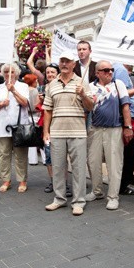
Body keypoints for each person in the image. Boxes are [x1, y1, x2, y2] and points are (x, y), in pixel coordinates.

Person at [43, 50, 94, 216]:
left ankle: (79, 201)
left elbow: (90, 107)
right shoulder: (51, 85)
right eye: (62, 61)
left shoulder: (81, 83)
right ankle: (59, 199)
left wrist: (83, 94)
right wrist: (46, 132)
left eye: (68, 61)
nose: (64, 64)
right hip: (57, 132)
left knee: (78, 168)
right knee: (58, 167)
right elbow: (48, 110)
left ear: (74, 64)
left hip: (78, 131)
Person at [87, 60, 133, 210]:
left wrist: (128, 126)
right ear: (97, 72)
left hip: (114, 129)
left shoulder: (118, 84)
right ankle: (97, 190)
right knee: (93, 162)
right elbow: (86, 108)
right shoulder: (90, 87)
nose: (110, 72)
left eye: (111, 70)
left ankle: (113, 196)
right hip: (95, 129)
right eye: (105, 70)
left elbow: (126, 107)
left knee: (114, 164)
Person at [0, 63, 30, 193]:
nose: (9, 74)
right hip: (2, 126)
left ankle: (22, 180)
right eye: (6, 72)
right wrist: (2, 103)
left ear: (16, 73)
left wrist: (13, 90)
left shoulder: (23, 86)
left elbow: (25, 103)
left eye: (11, 72)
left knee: (21, 155)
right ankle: (5, 179)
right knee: (3, 154)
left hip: (19, 126)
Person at [114, 63, 134, 195]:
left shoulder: (116, 68)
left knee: (127, 152)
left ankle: (127, 180)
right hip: (126, 117)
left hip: (125, 116)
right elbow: (123, 94)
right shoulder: (119, 69)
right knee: (130, 152)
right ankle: (123, 184)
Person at [39, 63, 59, 193]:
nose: (50, 74)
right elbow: (38, 107)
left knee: (62, 156)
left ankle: (63, 182)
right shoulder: (42, 88)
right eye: (48, 72)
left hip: (60, 125)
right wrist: (41, 101)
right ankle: (53, 181)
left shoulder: (62, 86)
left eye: (52, 72)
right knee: (48, 155)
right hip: (47, 126)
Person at [23, 73, 40, 166]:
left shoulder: (24, 90)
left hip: (26, 116)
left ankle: (32, 160)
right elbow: (37, 105)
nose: (37, 82)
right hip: (35, 115)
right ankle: (45, 159)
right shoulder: (35, 91)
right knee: (38, 137)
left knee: (30, 138)